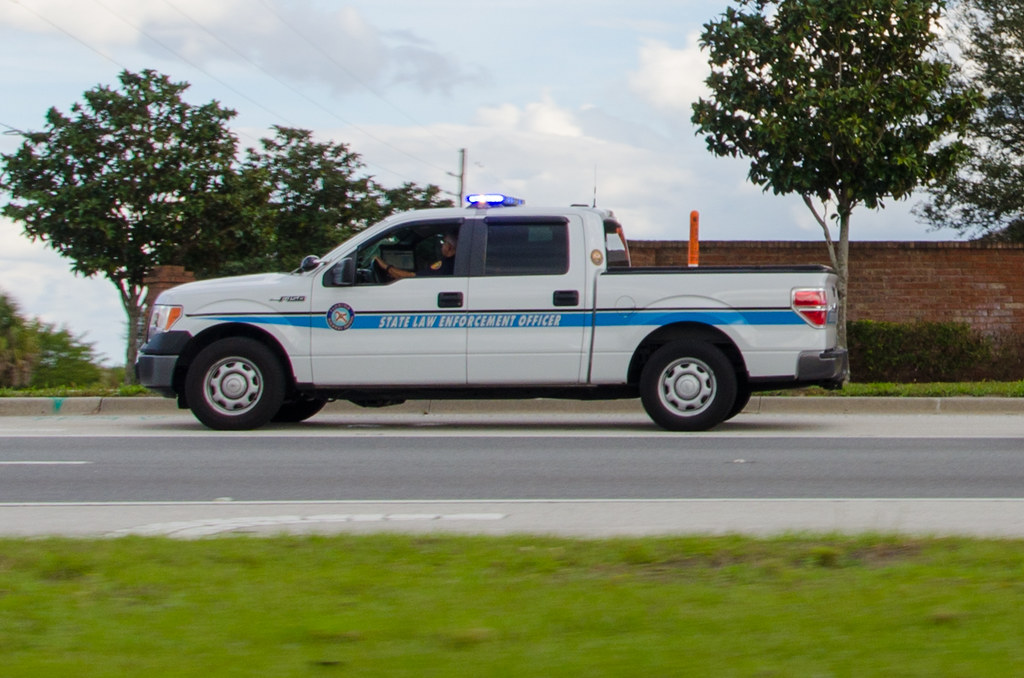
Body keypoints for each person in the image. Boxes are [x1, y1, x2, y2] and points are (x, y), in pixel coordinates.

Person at [376, 232, 456, 279]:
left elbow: (411, 277)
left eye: (444, 242)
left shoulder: (447, 265)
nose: (442, 245)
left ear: (449, 247)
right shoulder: (453, 261)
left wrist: (385, 266)